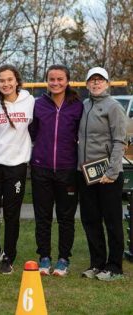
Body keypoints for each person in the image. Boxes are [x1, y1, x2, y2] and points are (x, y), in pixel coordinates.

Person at [29, 65, 83, 277]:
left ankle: (63, 259)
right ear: (47, 81)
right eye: (51, 79)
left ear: (67, 80)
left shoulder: (77, 106)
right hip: (41, 168)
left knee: (65, 217)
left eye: (60, 79)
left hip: (67, 169)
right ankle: (44, 257)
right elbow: (33, 132)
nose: (56, 83)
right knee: (42, 216)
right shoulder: (38, 105)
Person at [78, 67, 126, 281]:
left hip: (108, 174)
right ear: (87, 84)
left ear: (107, 83)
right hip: (87, 173)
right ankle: (97, 263)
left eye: (100, 80)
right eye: (92, 80)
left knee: (112, 220)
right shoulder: (85, 105)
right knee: (90, 220)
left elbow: (119, 140)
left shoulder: (113, 106)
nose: (96, 84)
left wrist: (112, 171)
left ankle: (114, 266)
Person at [0, 64, 34, 274]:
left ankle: (8, 256)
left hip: (17, 166)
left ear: (17, 81)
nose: (6, 84)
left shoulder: (29, 101)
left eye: (9, 80)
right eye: (1, 81)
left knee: (12, 214)